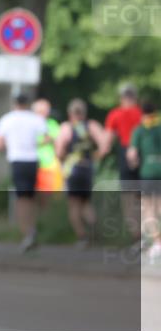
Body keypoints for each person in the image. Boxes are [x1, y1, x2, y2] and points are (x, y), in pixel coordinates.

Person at [0, 93, 46, 252]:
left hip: (17, 160)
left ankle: (27, 234)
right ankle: (32, 228)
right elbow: (47, 138)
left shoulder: (7, 119)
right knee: (31, 196)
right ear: (28, 103)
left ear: (14, 103)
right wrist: (33, 144)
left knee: (21, 198)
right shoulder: (36, 119)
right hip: (33, 160)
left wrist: (10, 147)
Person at [55, 98, 110, 247]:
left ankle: (82, 237)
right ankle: (95, 232)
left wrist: (64, 159)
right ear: (84, 112)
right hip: (87, 168)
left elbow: (59, 151)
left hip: (72, 169)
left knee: (74, 204)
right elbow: (105, 145)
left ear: (70, 113)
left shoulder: (67, 128)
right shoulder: (91, 125)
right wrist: (96, 156)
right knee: (86, 202)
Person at [106, 84, 143, 245]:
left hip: (124, 153)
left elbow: (108, 140)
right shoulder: (142, 113)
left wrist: (101, 152)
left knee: (128, 198)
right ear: (135, 98)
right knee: (143, 197)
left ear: (121, 98)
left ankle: (136, 236)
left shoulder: (115, 114)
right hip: (143, 155)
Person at [127, 101, 161, 263]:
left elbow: (132, 155)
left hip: (147, 172)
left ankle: (157, 243)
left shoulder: (139, 130)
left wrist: (134, 164)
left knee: (148, 210)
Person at [32, 98, 63, 196]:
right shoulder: (30, 124)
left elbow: (58, 140)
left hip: (48, 165)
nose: (44, 114)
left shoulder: (52, 124)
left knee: (47, 196)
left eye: (46, 111)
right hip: (31, 165)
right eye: (41, 111)